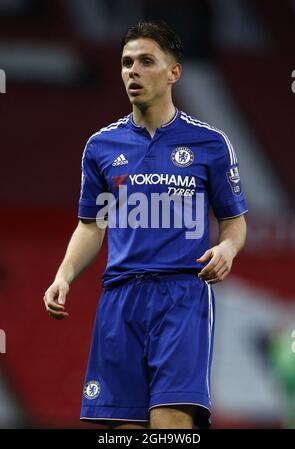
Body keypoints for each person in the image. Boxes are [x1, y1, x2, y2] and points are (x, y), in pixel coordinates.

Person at [43, 19, 248, 429]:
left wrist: (226, 248)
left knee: (171, 425)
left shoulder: (210, 144)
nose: (132, 71)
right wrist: (64, 275)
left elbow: (233, 221)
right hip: (120, 300)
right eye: (126, 62)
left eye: (145, 61)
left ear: (174, 72)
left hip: (182, 296)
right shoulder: (101, 146)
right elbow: (91, 226)